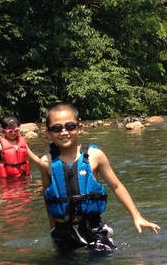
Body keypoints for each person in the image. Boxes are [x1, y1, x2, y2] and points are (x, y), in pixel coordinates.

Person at [36, 102, 160, 251]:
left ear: (79, 128)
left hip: (93, 227)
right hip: (63, 229)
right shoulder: (46, 162)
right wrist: (52, 229)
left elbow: (117, 186)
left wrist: (136, 216)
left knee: (100, 263)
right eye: (57, 128)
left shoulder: (95, 156)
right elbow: (48, 197)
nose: (64, 132)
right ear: (49, 133)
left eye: (70, 126)